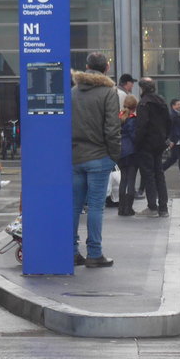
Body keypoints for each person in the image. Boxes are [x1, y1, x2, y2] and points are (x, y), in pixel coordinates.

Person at [71, 52, 121, 268]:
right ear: (106, 68)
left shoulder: (73, 92)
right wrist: (115, 155)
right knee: (95, 207)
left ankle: (72, 252)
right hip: (100, 156)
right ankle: (94, 253)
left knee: (74, 207)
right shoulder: (108, 92)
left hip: (75, 156)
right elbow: (112, 128)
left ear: (86, 66)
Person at [134, 78, 171, 217]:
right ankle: (163, 208)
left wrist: (137, 142)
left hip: (146, 144)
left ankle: (152, 207)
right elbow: (169, 122)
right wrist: (165, 137)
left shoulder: (143, 103)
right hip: (159, 143)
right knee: (159, 174)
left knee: (148, 175)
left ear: (142, 88)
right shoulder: (162, 102)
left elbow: (142, 125)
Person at [117, 95, 140, 217]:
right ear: (135, 107)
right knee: (131, 180)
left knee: (123, 180)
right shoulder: (133, 120)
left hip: (120, 152)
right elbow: (134, 137)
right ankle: (128, 208)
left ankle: (121, 208)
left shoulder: (119, 117)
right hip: (131, 152)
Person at [162, 98, 180, 182]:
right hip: (176, 140)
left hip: (177, 140)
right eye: (178, 104)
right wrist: (172, 140)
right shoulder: (173, 116)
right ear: (173, 106)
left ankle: (159, 170)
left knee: (174, 158)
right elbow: (171, 129)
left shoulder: (177, 114)